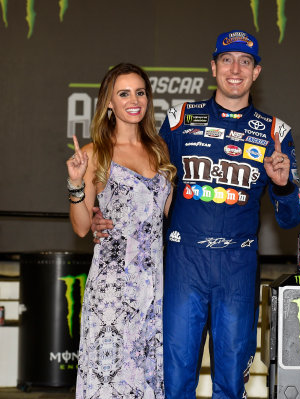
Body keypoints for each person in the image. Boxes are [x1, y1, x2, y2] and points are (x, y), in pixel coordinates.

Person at [92, 30, 300, 399]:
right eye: (227, 60)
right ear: (213, 67)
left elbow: (292, 218)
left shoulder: (275, 133)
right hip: (182, 264)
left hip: (237, 267)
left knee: (229, 383)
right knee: (174, 382)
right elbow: (145, 177)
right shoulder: (179, 120)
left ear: (257, 72)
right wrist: (104, 212)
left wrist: (284, 186)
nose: (235, 69)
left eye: (245, 62)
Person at [66, 63, 176, 398]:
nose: (134, 100)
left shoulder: (160, 150)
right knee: (110, 382)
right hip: (112, 292)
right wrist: (75, 184)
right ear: (109, 103)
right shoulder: (94, 153)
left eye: (140, 92)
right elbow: (83, 226)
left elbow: (169, 215)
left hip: (154, 290)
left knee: (147, 380)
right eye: (124, 93)